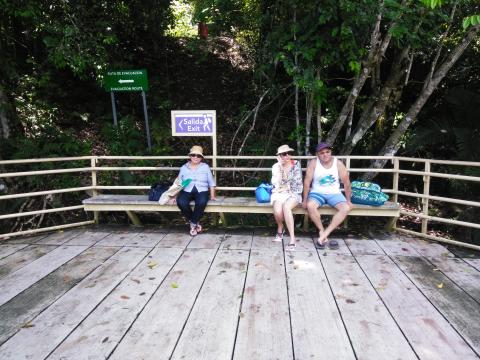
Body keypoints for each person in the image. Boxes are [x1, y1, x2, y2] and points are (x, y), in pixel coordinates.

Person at [302, 143, 352, 249]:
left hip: (334, 193)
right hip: (317, 193)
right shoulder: (314, 163)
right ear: (317, 154)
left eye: (327, 152)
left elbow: (346, 182)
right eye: (322, 153)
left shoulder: (338, 163)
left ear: (331, 152)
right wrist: (305, 200)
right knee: (310, 206)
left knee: (346, 208)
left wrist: (349, 200)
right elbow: (307, 182)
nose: (325, 155)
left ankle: (325, 234)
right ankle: (321, 230)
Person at [176, 145, 217, 236]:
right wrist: (173, 196)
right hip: (186, 190)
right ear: (190, 156)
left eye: (198, 156)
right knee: (181, 202)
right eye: (193, 155)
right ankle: (195, 223)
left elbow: (211, 182)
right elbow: (178, 183)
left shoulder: (205, 167)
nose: (195, 157)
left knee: (202, 202)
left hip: (201, 190)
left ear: (201, 158)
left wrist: (213, 195)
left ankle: (193, 224)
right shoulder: (183, 167)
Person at [271, 144, 303, 250]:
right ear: (279, 156)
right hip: (280, 193)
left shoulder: (296, 164)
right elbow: (275, 183)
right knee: (277, 210)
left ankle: (292, 239)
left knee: (286, 207)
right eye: (284, 154)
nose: (287, 156)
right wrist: (280, 167)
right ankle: (281, 227)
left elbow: (297, 183)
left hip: (294, 193)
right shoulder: (276, 166)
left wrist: (286, 187)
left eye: (289, 153)